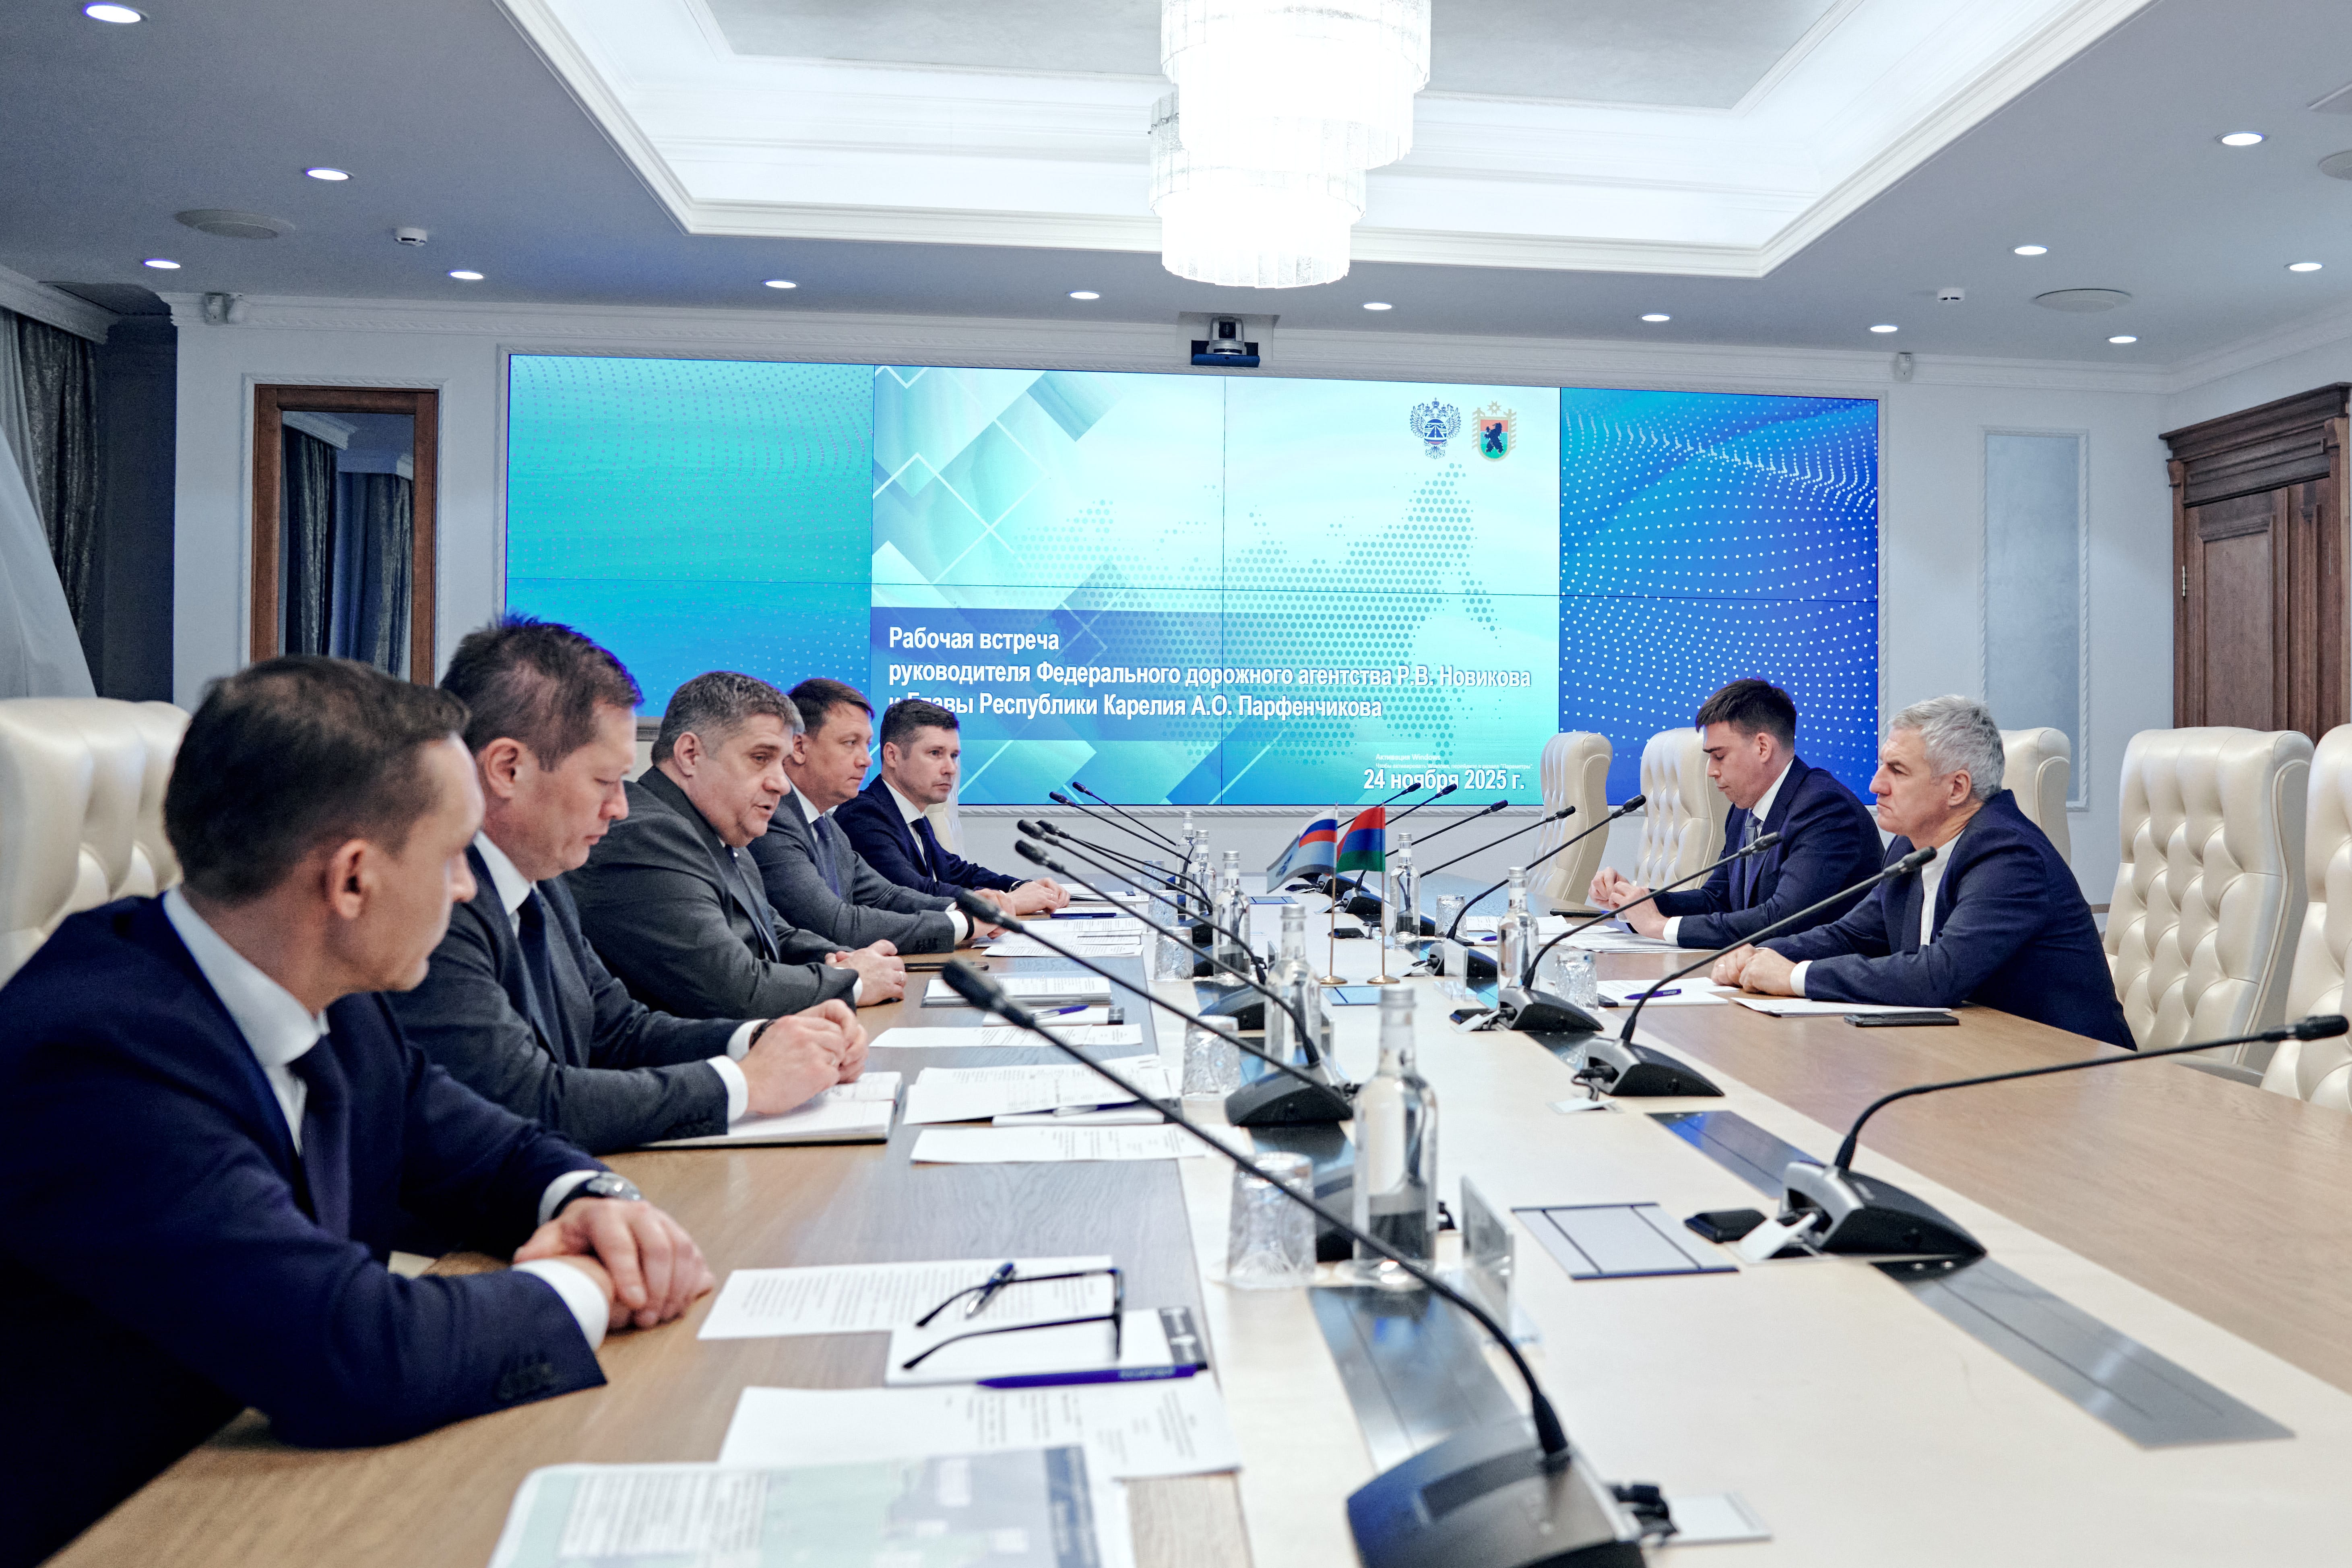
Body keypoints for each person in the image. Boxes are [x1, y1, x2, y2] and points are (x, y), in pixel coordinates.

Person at [0, 657, 711, 1568]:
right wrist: (596, 1287)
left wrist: (594, 1200)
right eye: (451, 855)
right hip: (128, 1530)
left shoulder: (337, 1001)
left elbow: (492, 1152)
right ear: (351, 881)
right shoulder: (97, 1060)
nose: (467, 888)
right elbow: (353, 1349)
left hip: (275, 1485)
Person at [389, 620, 866, 1155]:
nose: (619, 807)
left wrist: (760, 1040)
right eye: (603, 780)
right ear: (508, 768)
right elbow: (526, 1099)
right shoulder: (436, 904)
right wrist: (743, 1084)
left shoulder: (542, 883)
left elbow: (620, 1032)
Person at [1712, 695, 2133, 1049]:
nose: (1875, 785)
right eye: (1882, 766)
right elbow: (1852, 934)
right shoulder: (1911, 845)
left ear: (1957, 788)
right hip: (1968, 1050)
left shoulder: (2009, 854)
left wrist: (1794, 976)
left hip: (2068, 1067)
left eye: (1897, 771)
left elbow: (1938, 975)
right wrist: (1762, 954)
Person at [569, 671, 908, 1017]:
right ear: (690, 754)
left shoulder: (722, 831)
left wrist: (842, 958)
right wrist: (852, 980)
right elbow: (733, 989)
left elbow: (775, 934)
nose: (781, 784)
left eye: (781, 762)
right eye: (760, 758)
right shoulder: (645, 837)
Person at [1589, 678, 1882, 948]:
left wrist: (1660, 926)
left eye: (1719, 756)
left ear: (1763, 747)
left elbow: (1782, 919)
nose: (1711, 771)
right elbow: (1717, 899)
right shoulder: (1744, 810)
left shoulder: (1825, 809)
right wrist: (1638, 902)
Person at [746, 678, 985, 953]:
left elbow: (885, 896)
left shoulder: (825, 825)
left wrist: (965, 908)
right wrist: (962, 924)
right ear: (799, 748)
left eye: (867, 744)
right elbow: (837, 925)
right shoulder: (773, 820)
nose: (866, 760)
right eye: (850, 743)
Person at [835, 697, 1069, 911]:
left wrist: (1019, 886)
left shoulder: (913, 814)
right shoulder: (864, 815)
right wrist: (1007, 902)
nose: (951, 769)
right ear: (892, 756)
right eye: (935, 753)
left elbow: (957, 872)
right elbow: (914, 892)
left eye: (954, 756)